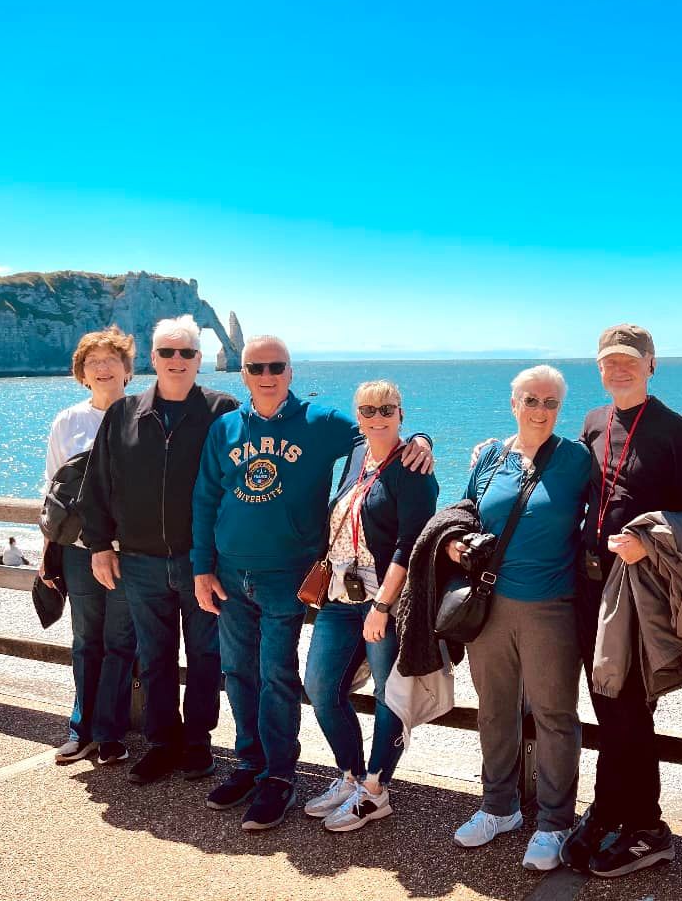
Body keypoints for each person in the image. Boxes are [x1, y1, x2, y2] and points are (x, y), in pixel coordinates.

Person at [191, 335, 434, 831]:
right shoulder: (225, 428)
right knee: (240, 674)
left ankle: (281, 777)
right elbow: (204, 498)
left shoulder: (322, 422)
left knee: (280, 677)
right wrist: (202, 566)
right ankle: (251, 764)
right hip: (234, 575)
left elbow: (382, 442)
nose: (267, 374)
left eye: (276, 365)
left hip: (293, 578)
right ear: (242, 374)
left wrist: (424, 440)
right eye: (256, 366)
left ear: (290, 371)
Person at [560, 324, 682, 878]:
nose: (618, 369)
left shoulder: (678, 433)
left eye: (629, 360)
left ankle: (649, 827)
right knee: (607, 704)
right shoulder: (591, 422)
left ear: (652, 365)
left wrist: (650, 542)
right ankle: (610, 809)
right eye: (608, 361)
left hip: (639, 594)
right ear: (598, 368)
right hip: (589, 588)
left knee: (628, 710)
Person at [78, 315, 239, 786]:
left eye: (186, 353)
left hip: (202, 563)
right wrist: (99, 545)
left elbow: (254, 466)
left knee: (208, 655)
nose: (176, 360)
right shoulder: (123, 414)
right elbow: (98, 485)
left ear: (199, 359)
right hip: (141, 561)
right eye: (167, 352)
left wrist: (412, 440)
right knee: (155, 656)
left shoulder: (221, 409)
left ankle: (198, 743)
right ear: (152, 359)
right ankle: (162, 743)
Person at [446, 365, 591, 870]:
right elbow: (464, 513)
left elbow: (610, 512)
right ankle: (498, 807)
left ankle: (555, 821)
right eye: (531, 400)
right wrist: (456, 546)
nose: (540, 410)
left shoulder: (576, 460)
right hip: (489, 603)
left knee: (554, 715)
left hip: (551, 607)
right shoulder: (490, 456)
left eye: (550, 403)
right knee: (494, 709)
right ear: (513, 404)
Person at [302, 380, 439, 833]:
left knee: (389, 694)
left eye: (387, 409)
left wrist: (382, 606)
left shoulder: (413, 468)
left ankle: (376, 790)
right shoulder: (357, 455)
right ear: (357, 416)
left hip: (386, 600)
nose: (377, 417)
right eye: (368, 410)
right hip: (341, 597)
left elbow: (409, 544)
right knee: (320, 687)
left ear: (402, 412)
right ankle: (350, 775)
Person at [40, 326, 138, 766]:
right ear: (82, 373)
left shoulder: (144, 416)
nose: (102, 368)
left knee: (121, 641)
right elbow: (51, 490)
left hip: (130, 551)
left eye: (110, 360)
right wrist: (47, 553)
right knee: (86, 640)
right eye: (92, 362)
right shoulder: (68, 421)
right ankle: (80, 729)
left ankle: (110, 732)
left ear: (127, 370)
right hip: (80, 550)